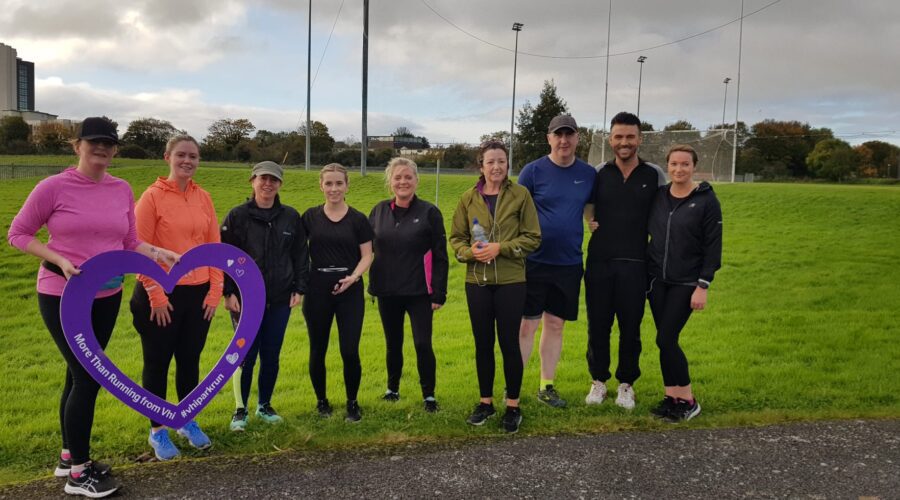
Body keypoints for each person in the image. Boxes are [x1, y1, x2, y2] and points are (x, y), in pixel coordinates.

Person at [7, 117, 178, 498]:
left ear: (115, 149)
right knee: (89, 377)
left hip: (107, 295)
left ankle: (70, 456)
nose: (101, 148)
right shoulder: (53, 187)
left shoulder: (121, 189)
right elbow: (18, 234)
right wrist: (59, 260)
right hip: (61, 293)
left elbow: (130, 242)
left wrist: (158, 253)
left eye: (108, 143)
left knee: (76, 374)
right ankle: (79, 476)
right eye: (93, 142)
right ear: (77, 145)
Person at [130, 135, 224, 460]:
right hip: (161, 294)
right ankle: (157, 430)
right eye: (181, 155)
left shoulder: (204, 197)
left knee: (190, 360)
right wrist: (155, 294)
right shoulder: (151, 197)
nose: (187, 161)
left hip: (197, 294)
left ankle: (186, 419)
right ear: (167, 157)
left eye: (193, 156)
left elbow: (214, 247)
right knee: (157, 363)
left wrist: (215, 290)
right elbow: (137, 249)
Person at [450, 140, 541, 433]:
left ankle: (513, 405)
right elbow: (456, 239)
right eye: (490, 162)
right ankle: (485, 402)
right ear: (481, 166)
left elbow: (532, 237)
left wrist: (500, 247)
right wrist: (469, 253)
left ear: (507, 165)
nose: (496, 167)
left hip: (511, 281)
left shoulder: (521, 195)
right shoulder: (467, 198)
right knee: (483, 344)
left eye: (501, 161)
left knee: (509, 343)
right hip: (477, 282)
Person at [584, 111, 667, 409]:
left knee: (630, 328)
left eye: (630, 137)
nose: (624, 142)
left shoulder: (654, 174)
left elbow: (667, 210)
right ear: (610, 138)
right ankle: (598, 382)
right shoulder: (599, 172)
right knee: (598, 326)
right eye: (619, 136)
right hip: (599, 263)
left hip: (635, 263)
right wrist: (589, 220)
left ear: (640, 139)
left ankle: (626, 384)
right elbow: (587, 205)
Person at [220, 161, 309, 431]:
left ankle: (264, 406)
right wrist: (227, 291)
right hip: (245, 300)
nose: (268, 184)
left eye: (273, 179)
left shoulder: (291, 217)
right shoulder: (237, 216)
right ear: (253, 181)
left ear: (280, 184)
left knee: (271, 354)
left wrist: (299, 288)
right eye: (262, 179)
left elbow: (300, 256)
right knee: (245, 354)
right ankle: (240, 410)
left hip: (280, 298)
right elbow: (224, 256)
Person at [517, 115, 596, 409]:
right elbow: (516, 210)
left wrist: (593, 221)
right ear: (549, 138)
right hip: (534, 261)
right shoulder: (532, 171)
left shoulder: (588, 174)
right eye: (558, 135)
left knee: (556, 324)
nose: (564, 140)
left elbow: (591, 207)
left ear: (578, 138)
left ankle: (546, 386)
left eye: (569, 135)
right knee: (527, 326)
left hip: (569, 263)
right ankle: (514, 389)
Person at [646, 144, 722, 422]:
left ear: (694, 167)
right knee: (666, 341)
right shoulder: (659, 196)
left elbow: (714, 246)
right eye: (674, 164)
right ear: (667, 167)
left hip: (686, 282)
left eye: (685, 165)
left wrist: (703, 285)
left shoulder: (705, 200)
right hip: (657, 281)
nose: (679, 169)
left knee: (665, 338)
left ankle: (689, 399)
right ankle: (671, 397)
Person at [369, 158, 448, 412]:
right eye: (397, 177)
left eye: (408, 177)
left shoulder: (429, 212)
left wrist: (439, 292)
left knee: (422, 343)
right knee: (393, 343)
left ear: (416, 180)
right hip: (387, 291)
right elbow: (366, 250)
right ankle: (392, 389)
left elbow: (440, 255)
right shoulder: (378, 211)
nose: (403, 182)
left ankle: (429, 395)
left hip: (419, 293)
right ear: (390, 182)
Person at [302, 163, 374, 422]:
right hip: (317, 289)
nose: (334, 188)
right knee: (317, 349)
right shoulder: (309, 217)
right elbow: (298, 253)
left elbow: (368, 255)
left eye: (339, 183)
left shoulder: (358, 219)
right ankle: (322, 402)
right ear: (321, 185)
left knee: (349, 351)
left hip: (350, 290)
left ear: (347, 186)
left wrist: (354, 277)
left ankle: (352, 403)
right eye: (329, 183)